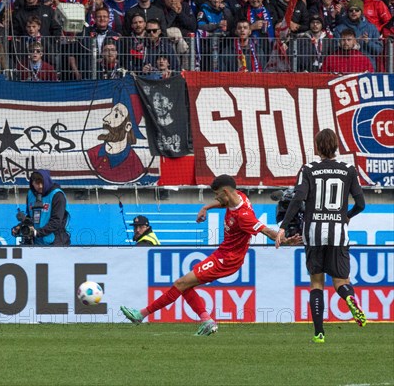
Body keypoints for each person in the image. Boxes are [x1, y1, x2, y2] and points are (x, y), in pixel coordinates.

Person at [120, 174, 300, 335]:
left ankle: (141, 314)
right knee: (184, 285)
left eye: (216, 194)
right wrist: (206, 208)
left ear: (225, 192)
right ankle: (207, 320)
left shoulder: (244, 215)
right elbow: (223, 203)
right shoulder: (239, 197)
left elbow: (267, 232)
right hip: (222, 254)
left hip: (227, 260)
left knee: (181, 283)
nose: (216, 198)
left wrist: (285, 240)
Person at [275, 129, 366, 343]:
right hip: (338, 232)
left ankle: (319, 333)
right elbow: (361, 204)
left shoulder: (308, 169)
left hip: (314, 232)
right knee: (341, 281)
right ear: (336, 146)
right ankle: (349, 297)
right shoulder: (349, 170)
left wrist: (283, 227)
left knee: (317, 283)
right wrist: (346, 216)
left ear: (317, 147)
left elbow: (298, 199)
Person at [12, 169, 71, 246]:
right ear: (32, 183)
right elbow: (31, 218)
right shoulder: (30, 194)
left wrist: (37, 232)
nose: (40, 186)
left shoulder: (57, 195)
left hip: (56, 242)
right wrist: (20, 226)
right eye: (37, 183)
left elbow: (56, 221)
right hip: (37, 242)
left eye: (42, 183)